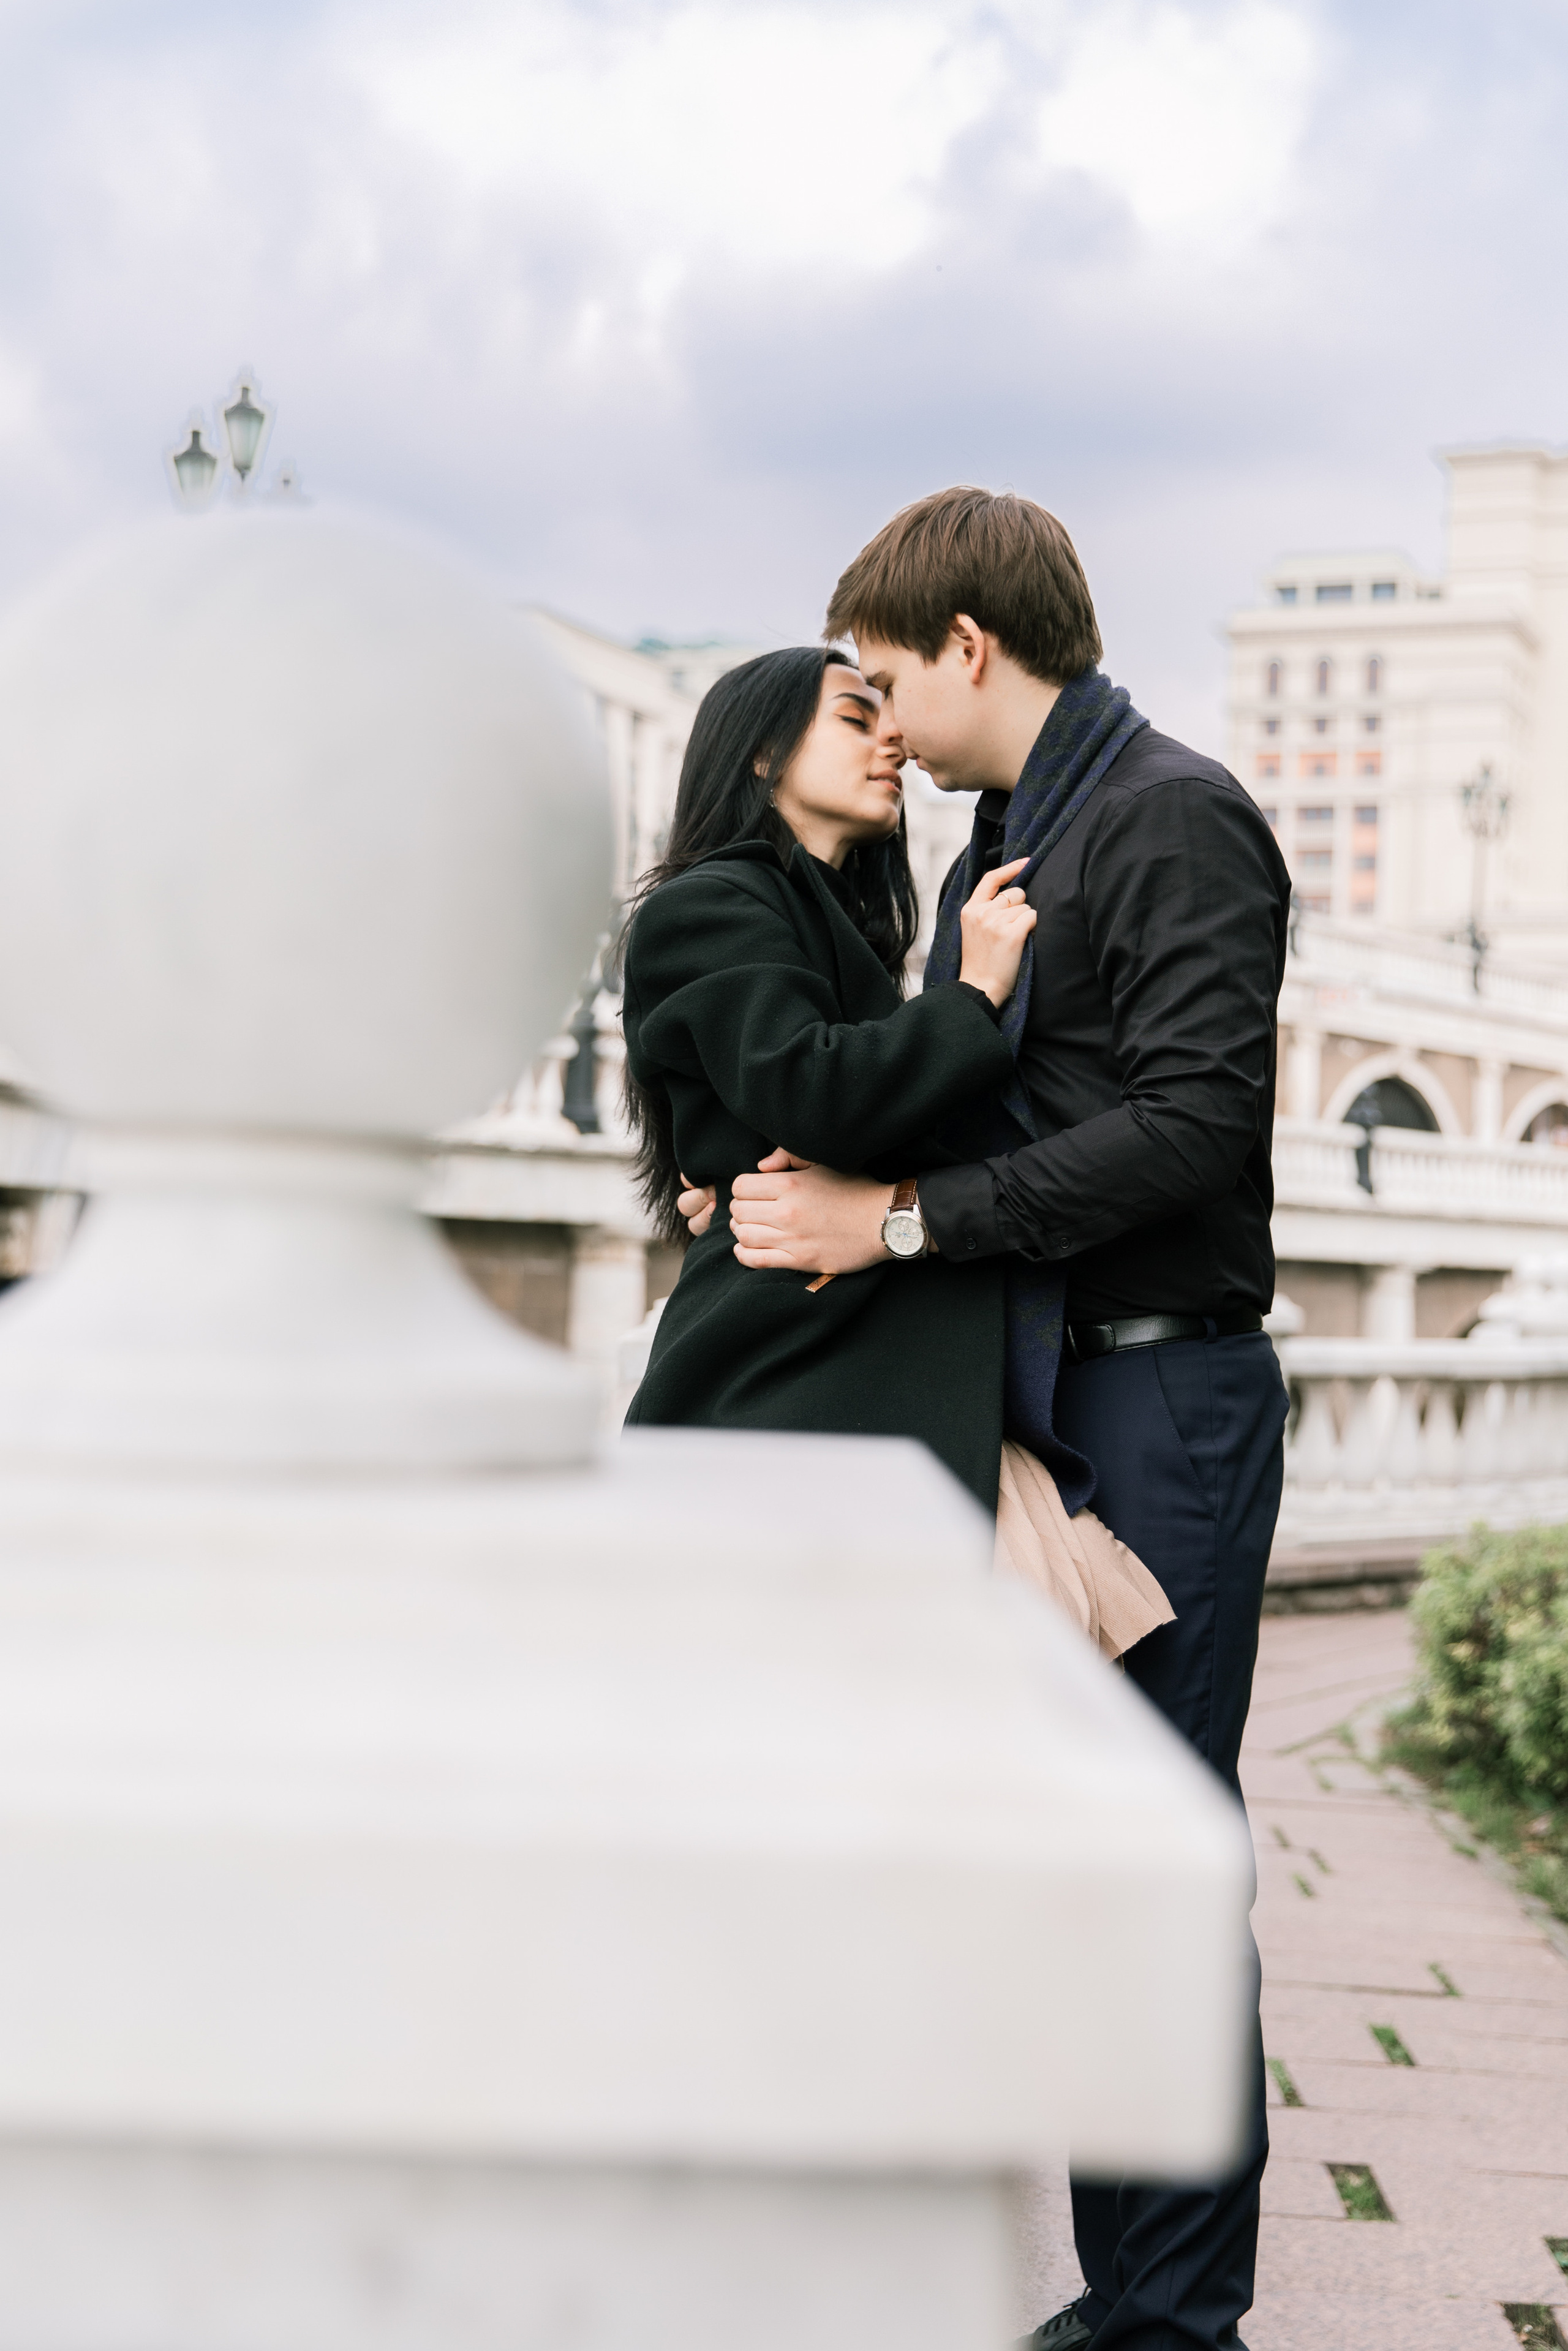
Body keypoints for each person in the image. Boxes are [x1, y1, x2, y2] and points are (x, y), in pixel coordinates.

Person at [684, 488, 1292, 2351]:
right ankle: (1131, 2300)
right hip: (1037, 1381)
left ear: (970, 647)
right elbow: (979, 1104)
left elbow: (1194, 1125)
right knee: (1076, 1845)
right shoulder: (1005, 848)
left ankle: (1174, 2323)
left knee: (1159, 1844)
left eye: (880, 676)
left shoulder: (1175, 816)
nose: (871, 713)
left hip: (1159, 1381)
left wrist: (904, 1220)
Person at [620, 643, 1170, 1655]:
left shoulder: (822, 928)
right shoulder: (711, 902)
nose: (890, 738)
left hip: (858, 1379)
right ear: (759, 754)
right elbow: (821, 1093)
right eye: (851, 715)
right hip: (796, 1382)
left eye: (887, 715)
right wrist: (973, 999)